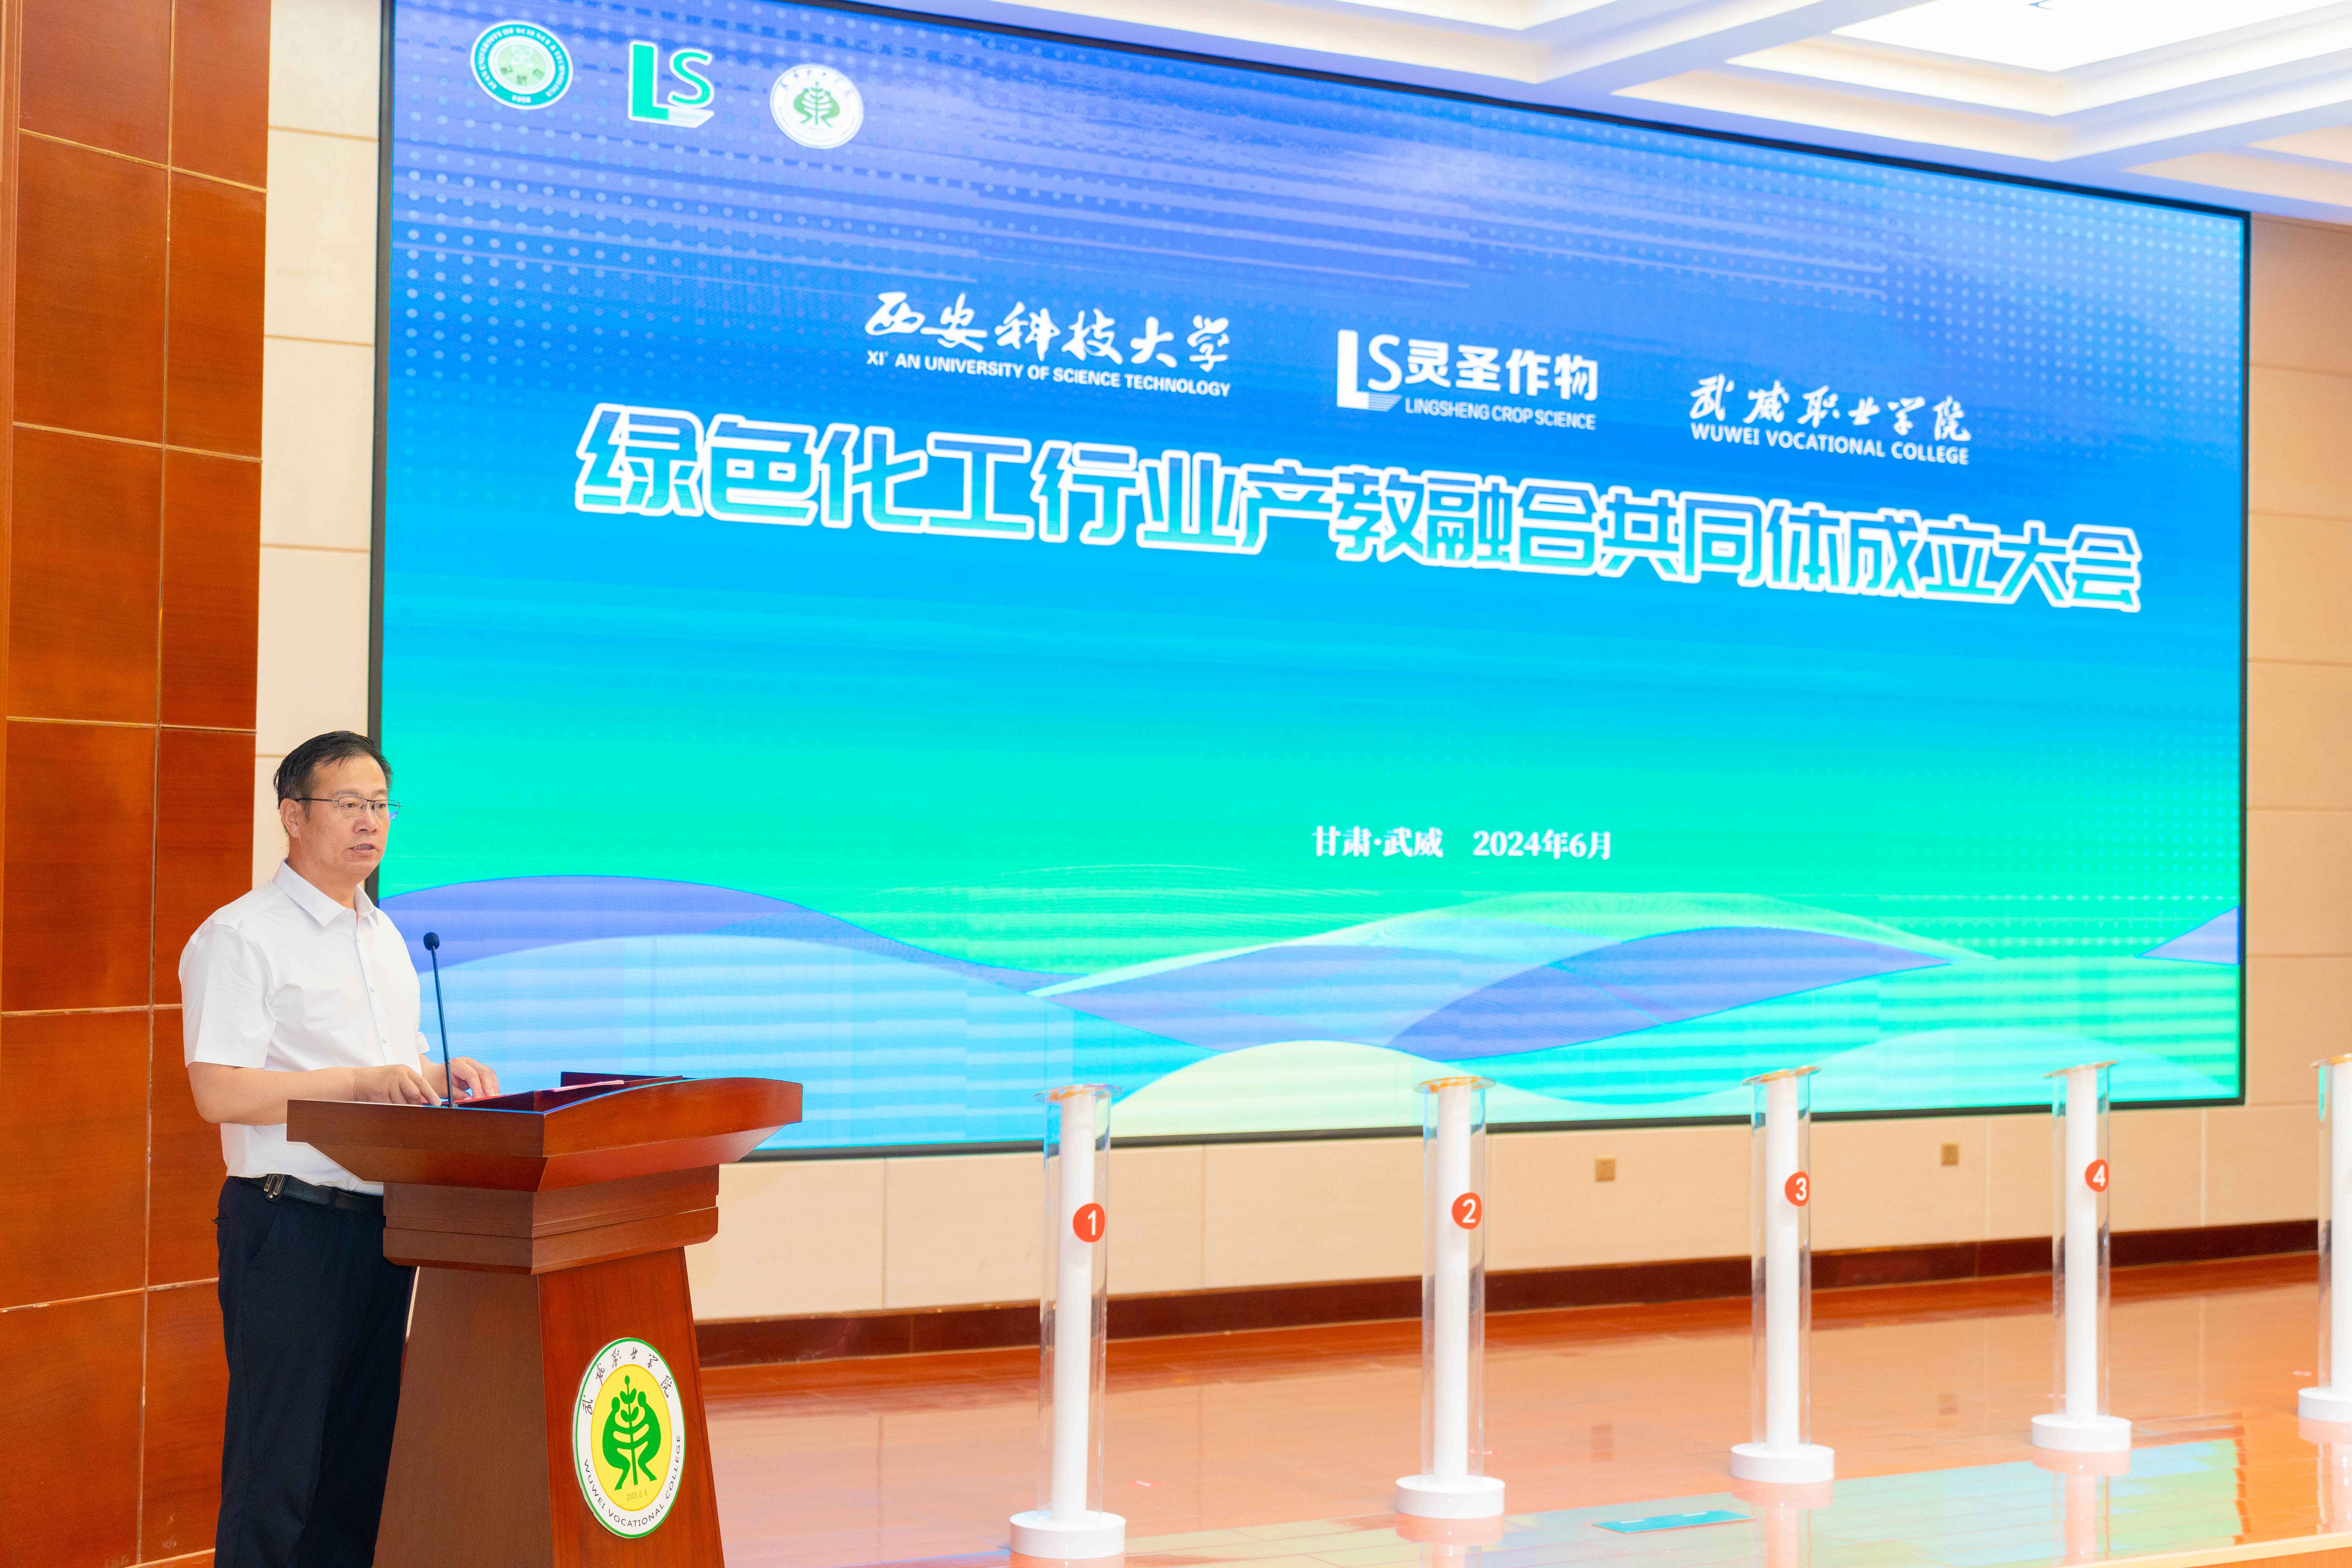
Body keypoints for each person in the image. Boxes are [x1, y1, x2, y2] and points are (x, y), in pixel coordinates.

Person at [183, 730, 499, 1568]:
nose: (371, 821)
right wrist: (361, 1082)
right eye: (349, 804)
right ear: (293, 816)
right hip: (290, 1225)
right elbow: (220, 1090)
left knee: (359, 1472)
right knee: (277, 1470)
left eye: (381, 805)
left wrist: (435, 1074)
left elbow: (385, 1073)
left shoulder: (383, 935)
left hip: (383, 1227)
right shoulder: (241, 937)